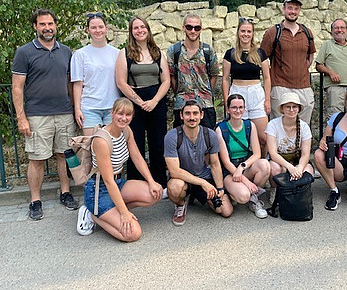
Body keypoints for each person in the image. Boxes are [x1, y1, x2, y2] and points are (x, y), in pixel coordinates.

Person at [12, 8, 78, 220]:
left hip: (65, 113)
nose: (47, 28)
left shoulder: (66, 51)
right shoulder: (24, 52)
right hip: (37, 115)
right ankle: (35, 200)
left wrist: (75, 108)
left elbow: (70, 84)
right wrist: (21, 117)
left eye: (50, 24)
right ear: (35, 26)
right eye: (42, 24)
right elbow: (17, 87)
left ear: (55, 25)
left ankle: (65, 192)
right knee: (37, 159)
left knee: (64, 155)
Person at [76, 98, 163, 241]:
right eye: (120, 114)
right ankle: (91, 214)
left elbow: (137, 157)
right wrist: (124, 213)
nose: (123, 118)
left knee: (155, 193)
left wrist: (151, 181)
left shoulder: (126, 130)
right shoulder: (102, 141)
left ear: (132, 116)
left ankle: (113, 210)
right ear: (112, 113)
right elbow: (108, 181)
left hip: (118, 183)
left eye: (128, 115)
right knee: (133, 234)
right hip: (99, 190)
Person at [115, 16, 170, 188]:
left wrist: (154, 101)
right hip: (134, 102)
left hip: (156, 100)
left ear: (148, 30)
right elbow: (121, 82)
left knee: (158, 144)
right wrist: (139, 102)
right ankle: (136, 184)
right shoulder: (124, 53)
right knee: (135, 144)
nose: (140, 30)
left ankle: (160, 183)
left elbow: (166, 80)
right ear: (131, 32)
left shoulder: (157, 52)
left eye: (142, 27)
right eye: (136, 28)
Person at [164, 100, 232, 226]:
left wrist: (220, 188)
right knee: (174, 187)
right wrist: (203, 183)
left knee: (225, 211)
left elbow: (215, 163)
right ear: (181, 116)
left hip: (204, 176)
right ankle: (180, 205)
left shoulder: (210, 135)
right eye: (188, 113)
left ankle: (195, 195)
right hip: (183, 179)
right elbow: (174, 171)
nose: (192, 117)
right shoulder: (172, 136)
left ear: (201, 115)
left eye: (195, 113)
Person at [260, 0, 316, 125]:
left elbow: (310, 56)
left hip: (304, 86)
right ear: (283, 9)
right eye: (290, 8)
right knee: (279, 126)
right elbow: (262, 58)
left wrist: (300, 69)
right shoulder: (273, 32)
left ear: (299, 10)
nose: (293, 11)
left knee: (303, 125)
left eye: (296, 9)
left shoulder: (307, 32)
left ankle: (301, 146)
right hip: (280, 86)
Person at [216, 94, 270, 219]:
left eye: (241, 107)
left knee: (264, 165)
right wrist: (245, 181)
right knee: (243, 196)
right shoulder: (221, 129)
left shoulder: (249, 125)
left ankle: (255, 201)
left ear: (244, 109)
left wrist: (242, 167)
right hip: (229, 171)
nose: (237, 110)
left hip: (244, 165)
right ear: (228, 109)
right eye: (234, 107)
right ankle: (236, 192)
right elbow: (225, 162)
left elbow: (257, 153)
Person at [222, 18, 271, 151]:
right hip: (237, 92)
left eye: (249, 31)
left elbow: (267, 78)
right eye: (243, 31)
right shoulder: (230, 54)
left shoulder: (260, 53)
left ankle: (262, 164)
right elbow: (225, 79)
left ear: (253, 33)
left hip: (256, 93)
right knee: (240, 134)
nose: (246, 34)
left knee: (263, 137)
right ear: (238, 32)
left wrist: (267, 99)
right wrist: (226, 99)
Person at [71, 13, 120, 135]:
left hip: (112, 107)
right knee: (91, 146)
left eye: (100, 27)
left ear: (106, 28)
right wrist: (77, 109)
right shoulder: (80, 54)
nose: (97, 30)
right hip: (90, 108)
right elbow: (77, 84)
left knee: (112, 148)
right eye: (93, 27)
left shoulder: (117, 53)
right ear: (88, 30)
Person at [168, 13, 219, 129]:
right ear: (183, 28)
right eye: (189, 27)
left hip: (205, 104)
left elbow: (214, 75)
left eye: (197, 28)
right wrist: (179, 91)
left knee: (208, 140)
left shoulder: (208, 51)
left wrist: (205, 92)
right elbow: (172, 76)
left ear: (201, 29)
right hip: (182, 104)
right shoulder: (174, 50)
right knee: (182, 142)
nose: (193, 31)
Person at [266, 92, 314, 203]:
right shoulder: (273, 125)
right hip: (279, 159)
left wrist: (299, 169)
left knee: (308, 171)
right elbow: (273, 153)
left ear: (299, 109)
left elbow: (306, 154)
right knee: (275, 168)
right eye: (288, 107)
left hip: (297, 158)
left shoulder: (304, 127)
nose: (291, 110)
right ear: (282, 109)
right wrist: (290, 168)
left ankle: (299, 193)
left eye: (294, 107)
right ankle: (275, 190)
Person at [316, 18, 347, 117]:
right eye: (336, 28)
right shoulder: (327, 45)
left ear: (346, 30)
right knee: (335, 118)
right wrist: (330, 72)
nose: (339, 30)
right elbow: (318, 65)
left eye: (342, 27)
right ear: (332, 31)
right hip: (335, 87)